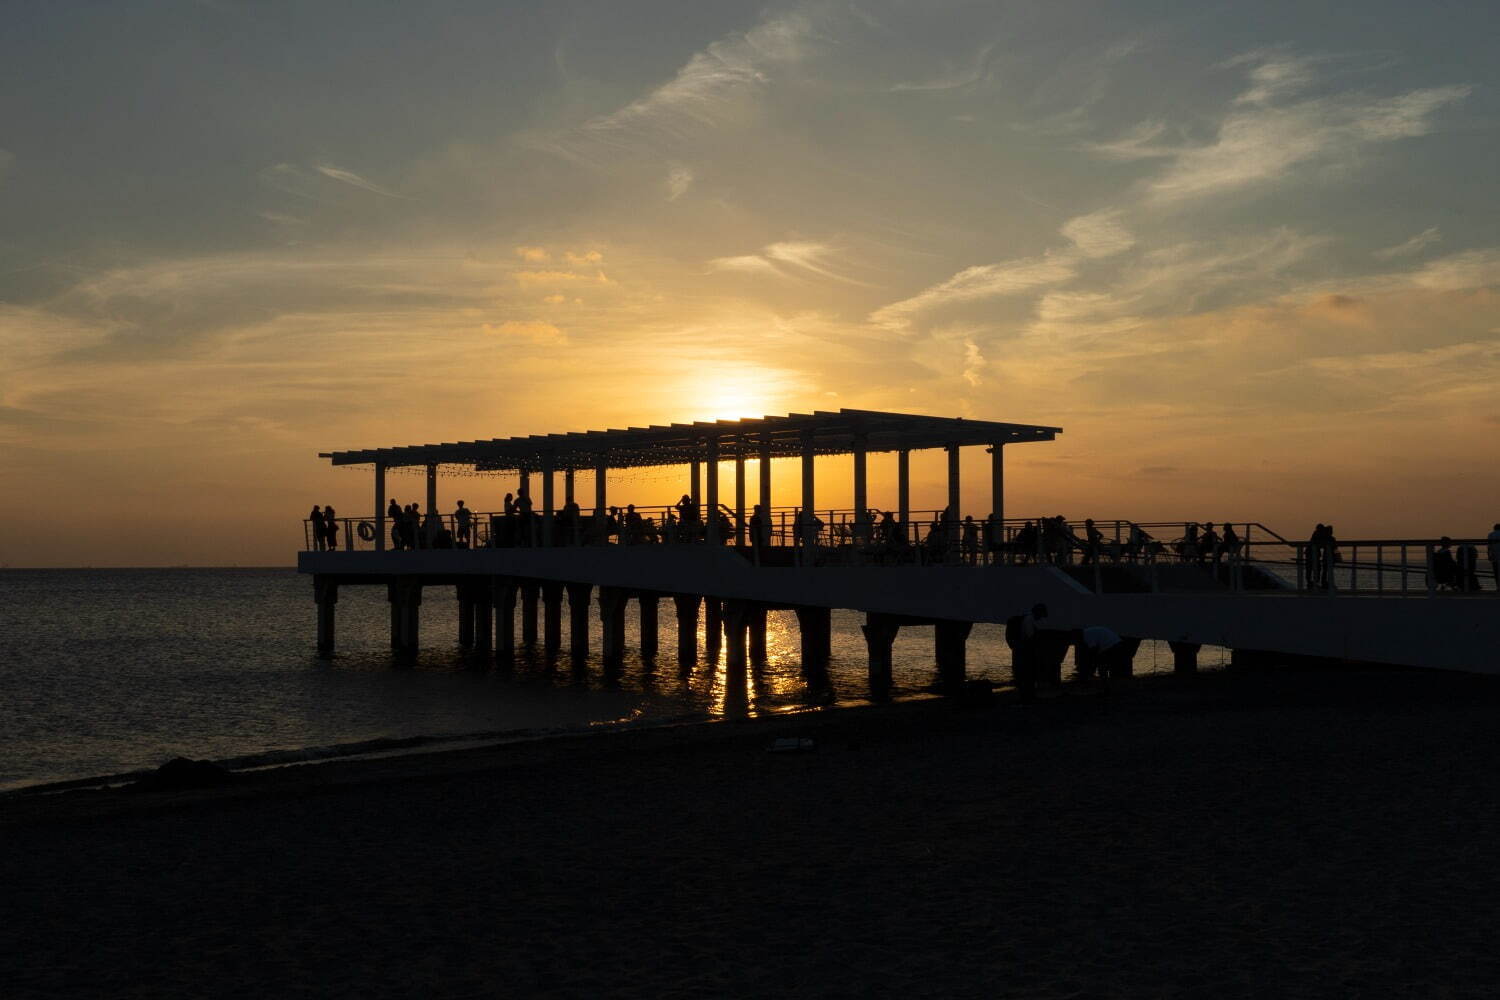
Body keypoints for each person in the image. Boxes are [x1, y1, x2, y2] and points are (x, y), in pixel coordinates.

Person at [1488, 524, 1500, 594]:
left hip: (1494, 556)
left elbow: (1489, 546)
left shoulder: (1491, 535)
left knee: (1496, 572)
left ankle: (1498, 586)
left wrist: (1489, 555)